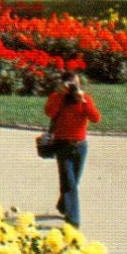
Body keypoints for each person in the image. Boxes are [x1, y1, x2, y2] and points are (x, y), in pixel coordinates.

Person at [44, 70, 101, 227]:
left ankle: (64, 205)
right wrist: (61, 95)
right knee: (70, 183)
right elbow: (49, 112)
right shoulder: (57, 98)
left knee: (73, 182)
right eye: (70, 85)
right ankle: (73, 220)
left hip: (80, 146)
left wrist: (83, 101)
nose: (73, 88)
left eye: (76, 84)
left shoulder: (85, 99)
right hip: (62, 145)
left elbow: (96, 118)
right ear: (63, 85)